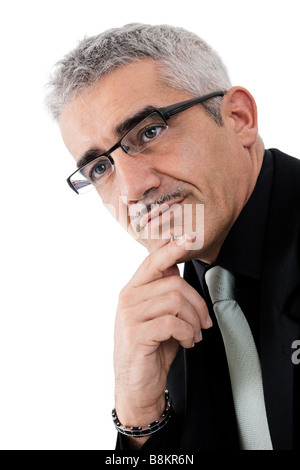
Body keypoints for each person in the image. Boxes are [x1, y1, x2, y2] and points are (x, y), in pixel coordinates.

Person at [45, 23, 300, 450]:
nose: (130, 190)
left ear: (238, 118)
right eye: (100, 169)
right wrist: (140, 417)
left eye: (148, 132)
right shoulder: (168, 318)